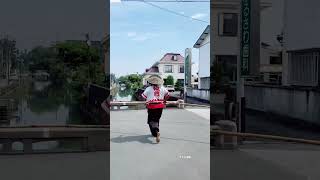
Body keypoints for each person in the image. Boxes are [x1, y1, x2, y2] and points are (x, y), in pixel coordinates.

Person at [141, 75, 170, 143]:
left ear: (151, 82)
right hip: (160, 106)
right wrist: (164, 101)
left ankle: (156, 132)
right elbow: (168, 95)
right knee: (156, 120)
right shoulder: (163, 88)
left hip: (151, 107)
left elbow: (143, 97)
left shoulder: (148, 88)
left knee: (151, 121)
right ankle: (155, 133)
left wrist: (147, 99)